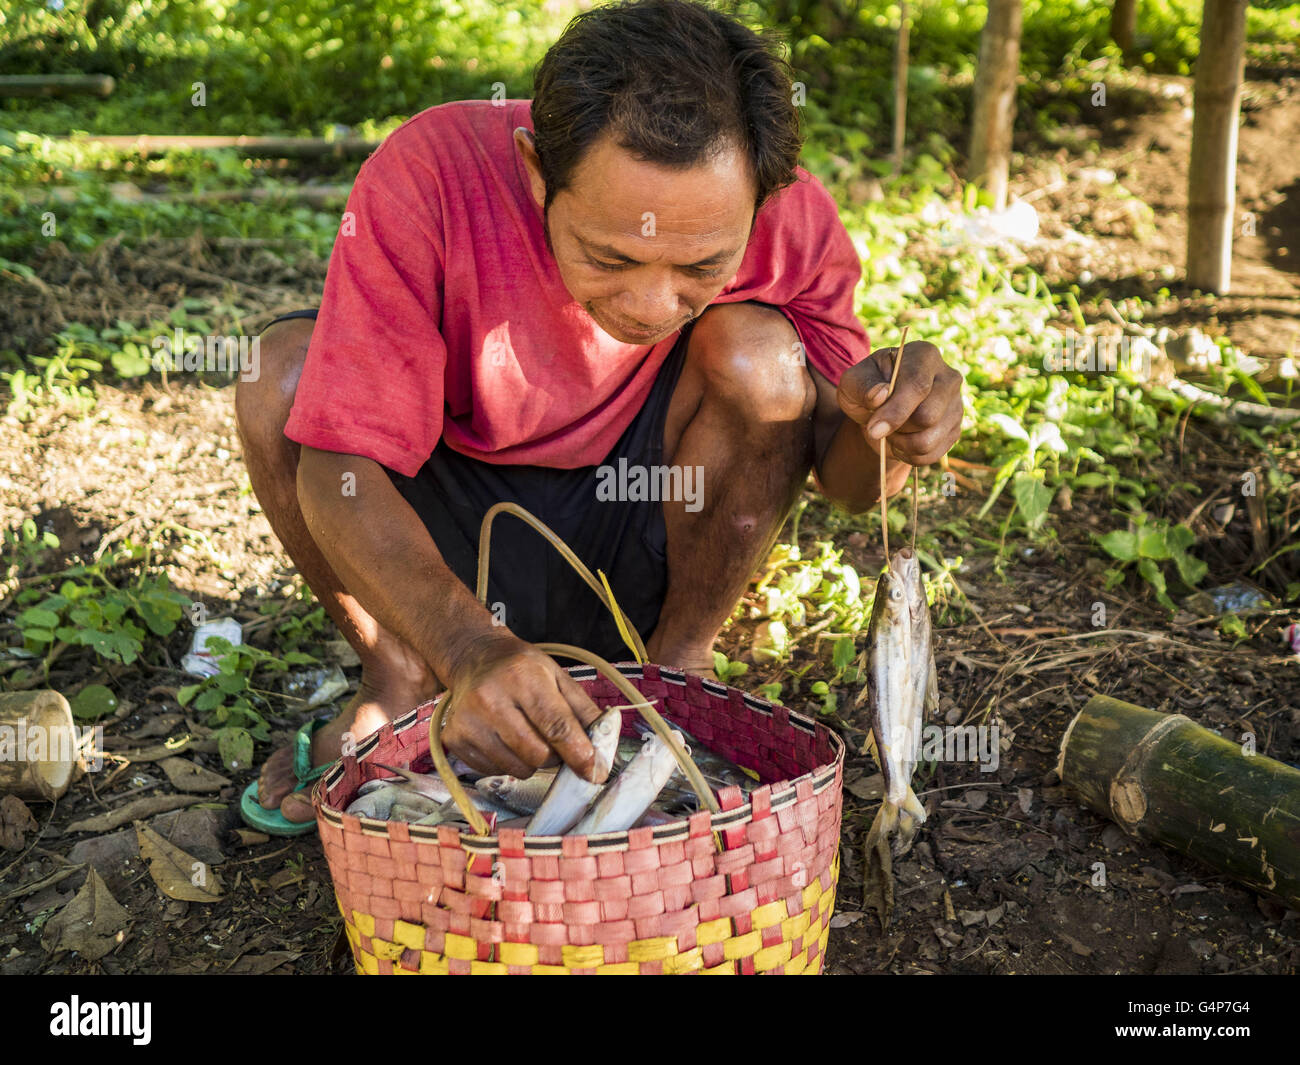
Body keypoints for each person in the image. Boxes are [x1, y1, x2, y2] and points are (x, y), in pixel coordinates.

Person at [235, 0, 963, 832]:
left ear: (761, 202)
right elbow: (339, 466)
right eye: (610, 256)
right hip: (437, 546)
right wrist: (467, 645)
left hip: (647, 525)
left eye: (702, 265)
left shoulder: (791, 217)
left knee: (760, 354)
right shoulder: (432, 175)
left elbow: (844, 475)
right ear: (537, 171)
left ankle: (679, 668)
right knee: (280, 374)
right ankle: (399, 681)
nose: (653, 303)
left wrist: (893, 432)